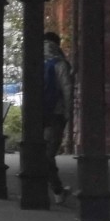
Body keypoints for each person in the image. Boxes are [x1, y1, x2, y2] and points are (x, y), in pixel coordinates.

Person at [43, 32, 74, 205]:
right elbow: (67, 89)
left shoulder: (34, 60)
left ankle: (55, 189)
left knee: (41, 153)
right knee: (48, 154)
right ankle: (57, 190)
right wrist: (69, 113)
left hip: (37, 114)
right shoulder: (60, 63)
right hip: (55, 113)